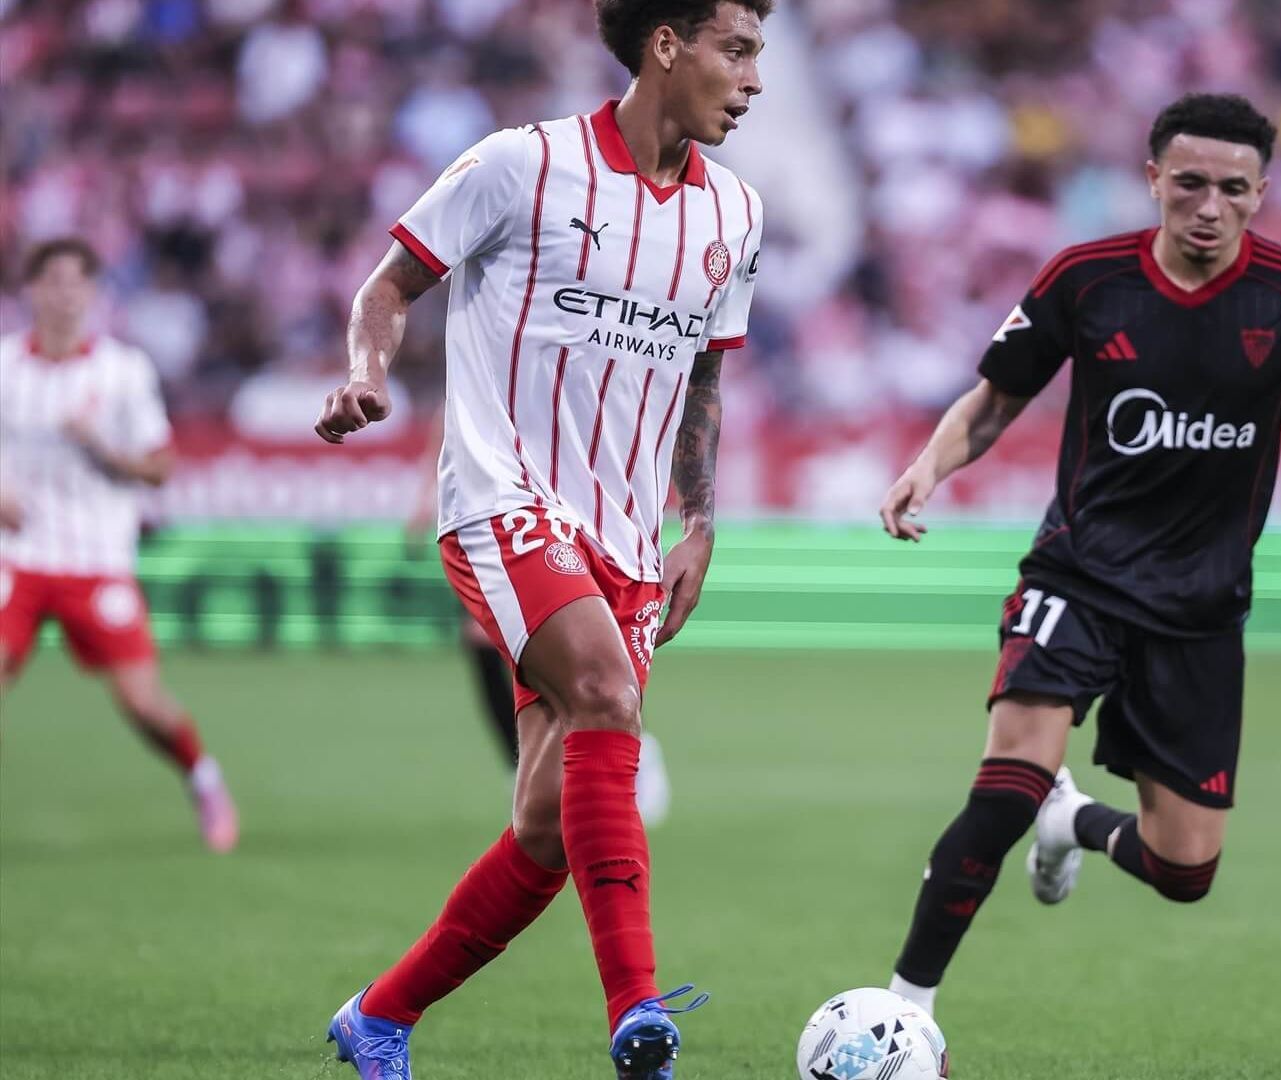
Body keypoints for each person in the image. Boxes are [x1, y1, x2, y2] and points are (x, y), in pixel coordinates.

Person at [314, 2, 768, 1076]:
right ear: (669, 43)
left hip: (626, 538)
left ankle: (379, 1016)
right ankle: (637, 1012)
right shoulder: (520, 166)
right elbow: (391, 284)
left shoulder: (737, 216)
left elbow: (705, 374)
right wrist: (367, 371)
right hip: (502, 496)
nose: (753, 81)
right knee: (607, 697)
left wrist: (699, 517)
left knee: (547, 827)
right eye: (737, 51)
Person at [876, 93, 1281, 1016]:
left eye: (1232, 188)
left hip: (1201, 609)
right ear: (1151, 180)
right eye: (1187, 184)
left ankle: (1075, 823)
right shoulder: (1087, 280)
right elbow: (992, 402)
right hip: (1080, 577)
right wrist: (927, 466)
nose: (1208, 207)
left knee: (1185, 870)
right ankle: (904, 1009)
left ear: (1262, 193)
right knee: (1008, 780)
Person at [0, 238, 239, 854]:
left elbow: (161, 468)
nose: (63, 293)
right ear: (31, 291)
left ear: (93, 293)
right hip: (18, 557)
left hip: (96, 558)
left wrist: (102, 447)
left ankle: (203, 778)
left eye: (76, 282)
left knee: (141, 701)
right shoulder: (6, 367)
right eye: (51, 280)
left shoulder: (122, 371)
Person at [409, 408, 671, 824]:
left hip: (557, 515)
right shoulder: (473, 363)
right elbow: (449, 423)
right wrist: (425, 500)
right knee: (494, 643)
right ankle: (526, 768)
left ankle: (629, 748)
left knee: (577, 658)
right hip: (496, 518)